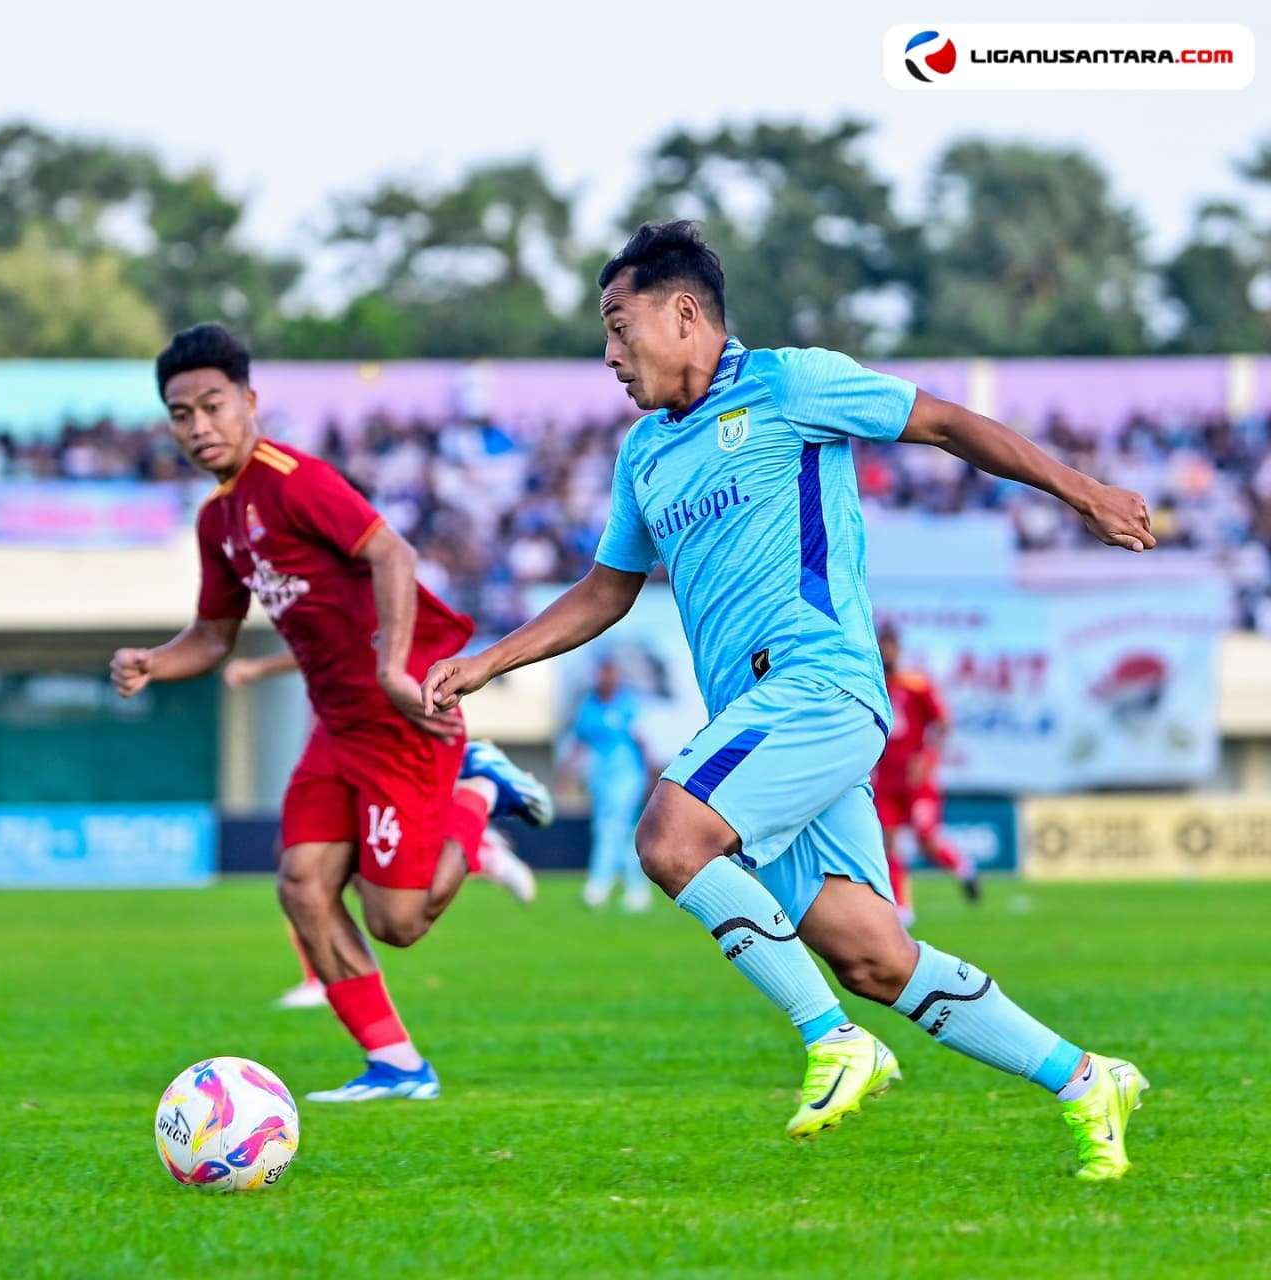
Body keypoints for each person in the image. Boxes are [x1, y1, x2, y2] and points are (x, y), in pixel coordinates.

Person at [422, 221, 1154, 1180]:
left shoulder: (791, 383)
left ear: (685, 314)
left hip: (819, 684)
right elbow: (608, 590)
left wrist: (1080, 489)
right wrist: (491, 659)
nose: (609, 354)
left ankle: (835, 1043)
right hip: (757, 721)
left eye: (618, 323)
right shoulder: (644, 455)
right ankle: (1085, 1078)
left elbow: (943, 423)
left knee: (670, 840)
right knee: (874, 957)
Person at [110, 322, 547, 1103]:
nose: (199, 426)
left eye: (213, 405)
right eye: (182, 414)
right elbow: (212, 635)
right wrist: (152, 661)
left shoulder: (295, 479)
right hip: (336, 724)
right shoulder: (218, 520)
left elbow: (394, 555)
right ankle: (399, 1067)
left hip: (399, 711)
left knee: (399, 922)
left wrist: (390, 665)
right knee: (302, 883)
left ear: (248, 401)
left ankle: (478, 792)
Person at [222, 650, 545, 1009]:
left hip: (374, 747)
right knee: (315, 866)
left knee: (398, 918)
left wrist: (258, 665)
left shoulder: (367, 611)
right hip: (335, 744)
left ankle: (479, 803)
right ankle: (482, 845)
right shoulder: (319, 622)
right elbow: (312, 645)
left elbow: (351, 645)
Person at [872, 620, 979, 925]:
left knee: (925, 837)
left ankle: (963, 868)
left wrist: (928, 758)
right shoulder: (873, 682)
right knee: (890, 840)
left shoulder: (916, 684)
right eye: (883, 645)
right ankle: (902, 907)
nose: (886, 651)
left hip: (916, 778)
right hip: (886, 778)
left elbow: (942, 723)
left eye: (891, 645)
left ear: (898, 648)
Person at [558, 656, 653, 911]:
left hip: (628, 775)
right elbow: (580, 742)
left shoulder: (627, 704)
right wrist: (566, 773)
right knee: (619, 832)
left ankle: (598, 885)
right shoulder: (589, 706)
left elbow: (641, 742)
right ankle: (638, 889)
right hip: (600, 777)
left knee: (610, 827)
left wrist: (651, 776)